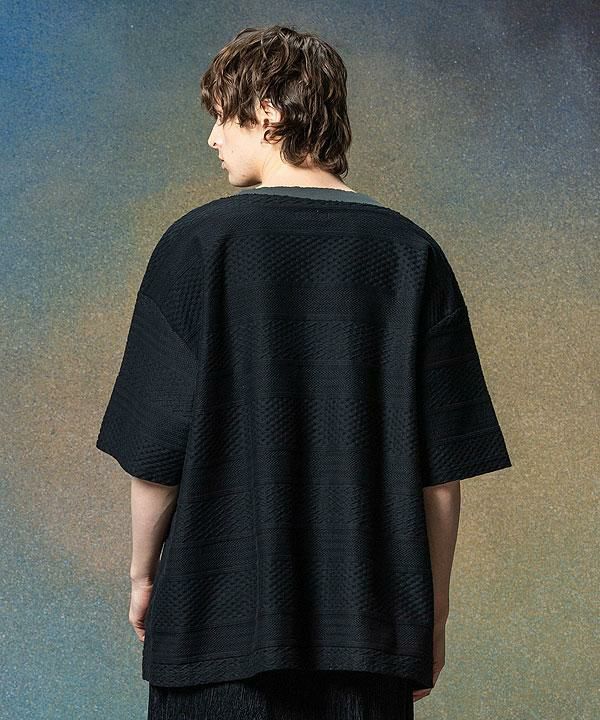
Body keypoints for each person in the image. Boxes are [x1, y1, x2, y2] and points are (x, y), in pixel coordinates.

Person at [96, 24, 512, 720]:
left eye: (222, 117)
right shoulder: (411, 255)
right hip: (369, 642)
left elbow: (157, 458)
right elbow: (440, 476)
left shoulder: (196, 246)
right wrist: (431, 622)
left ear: (268, 111)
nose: (213, 139)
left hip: (215, 630)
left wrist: (143, 577)